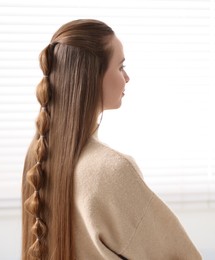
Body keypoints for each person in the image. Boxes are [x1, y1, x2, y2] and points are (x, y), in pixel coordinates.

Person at [21, 19, 202, 260]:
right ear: (91, 76)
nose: (127, 78)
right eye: (120, 67)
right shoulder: (112, 170)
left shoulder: (37, 156)